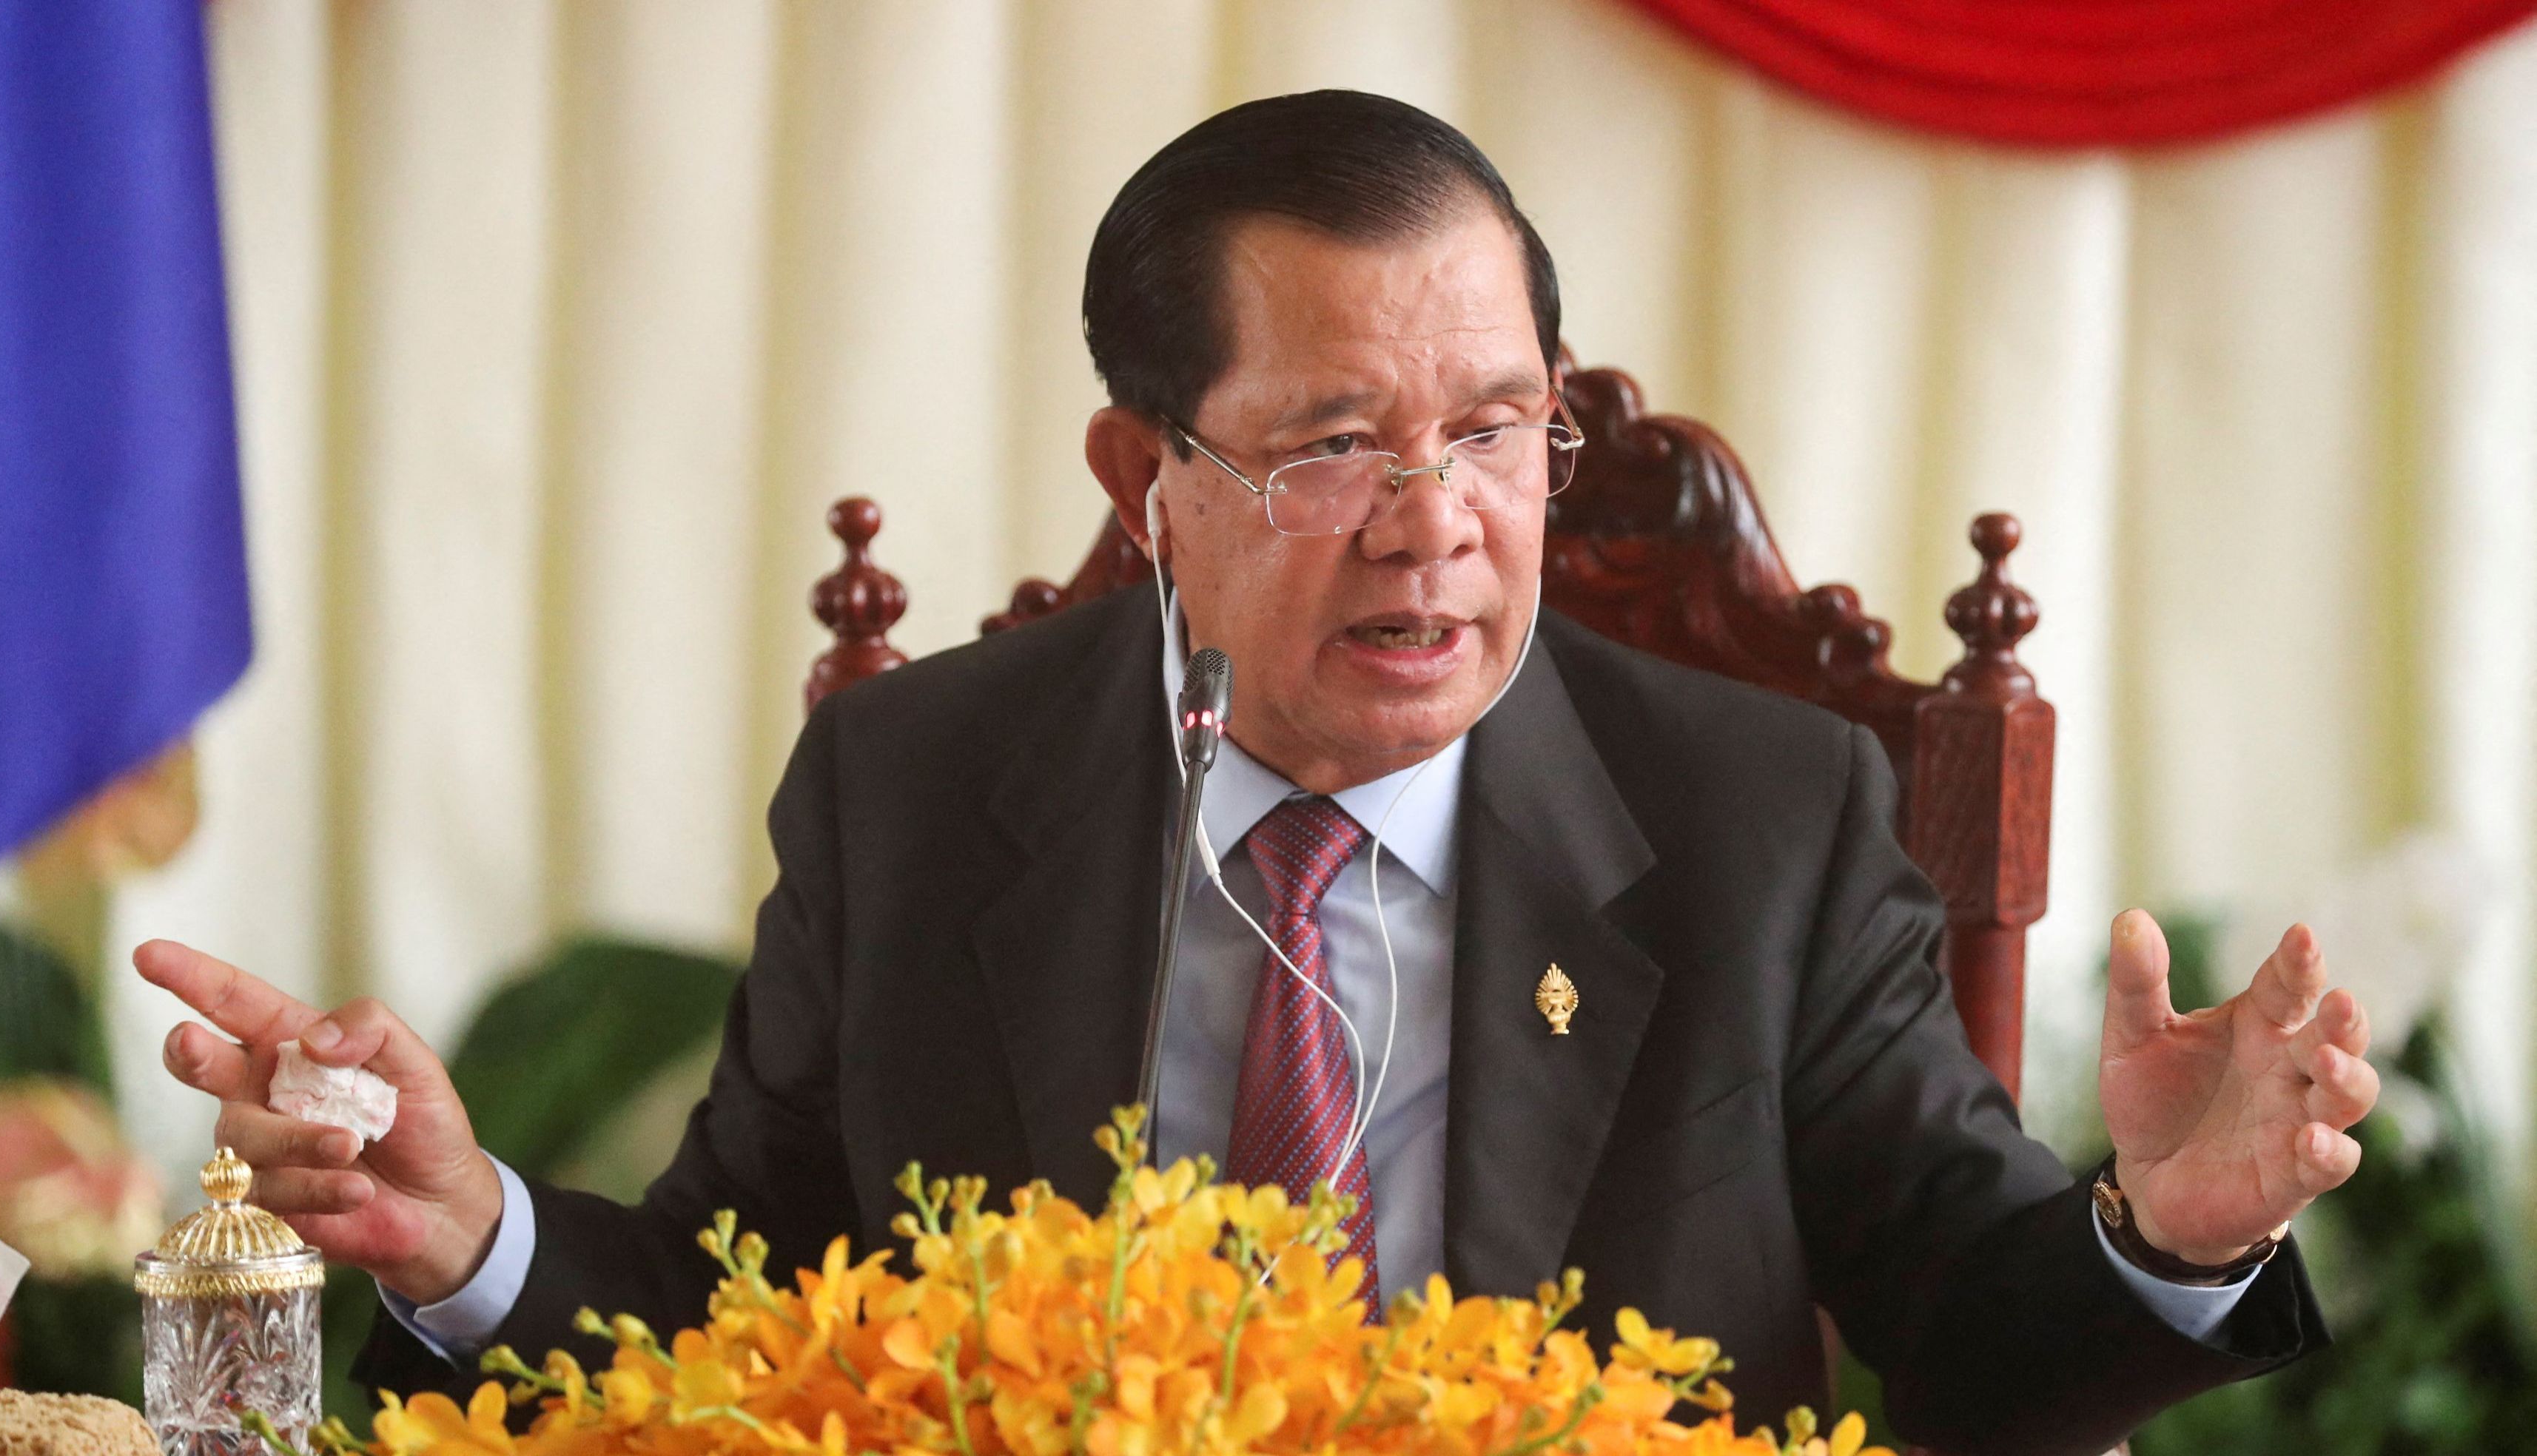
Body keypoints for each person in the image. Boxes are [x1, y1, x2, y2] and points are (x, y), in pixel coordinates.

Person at [135, 91, 2375, 1454]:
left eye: (1495, 429)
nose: (1439, 525)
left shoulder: (1757, 822)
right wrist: (474, 1235)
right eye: (1335, 449)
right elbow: (755, 1314)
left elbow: (1969, 1344)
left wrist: (2165, 1233)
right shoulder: (919, 791)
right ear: (1151, 485)